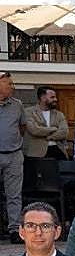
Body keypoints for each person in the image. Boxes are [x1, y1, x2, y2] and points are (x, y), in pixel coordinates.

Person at [0, 70, 24, 243]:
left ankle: (15, 230)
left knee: (14, 194)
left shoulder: (17, 105)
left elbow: (22, 127)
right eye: (9, 84)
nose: (12, 87)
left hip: (14, 155)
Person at [23, 85, 69, 158]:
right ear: (42, 98)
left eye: (55, 97)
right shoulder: (28, 112)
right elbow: (34, 130)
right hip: (36, 153)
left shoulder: (59, 114)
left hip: (57, 151)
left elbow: (64, 132)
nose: (56, 99)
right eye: (52, 97)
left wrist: (49, 137)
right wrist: (54, 128)